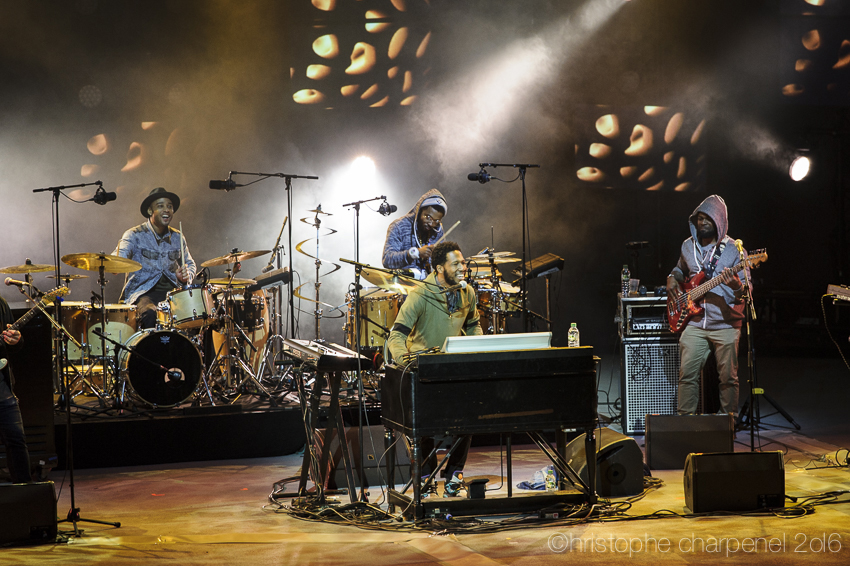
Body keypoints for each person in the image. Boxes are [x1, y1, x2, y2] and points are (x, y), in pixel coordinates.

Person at [387, 241, 482, 495]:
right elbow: (395, 336)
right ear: (440, 268)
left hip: (453, 368)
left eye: (463, 262)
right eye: (457, 264)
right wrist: (406, 362)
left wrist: (478, 348)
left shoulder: (467, 293)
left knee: (469, 417)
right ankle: (426, 476)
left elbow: (473, 325)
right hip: (423, 370)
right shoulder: (420, 295)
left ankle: (454, 474)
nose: (463, 267)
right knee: (423, 426)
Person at [666, 194, 750, 417]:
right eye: (699, 218)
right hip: (694, 322)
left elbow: (746, 292)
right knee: (687, 376)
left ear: (719, 221)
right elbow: (679, 269)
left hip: (726, 324)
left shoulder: (735, 250)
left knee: (728, 380)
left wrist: (735, 286)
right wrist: (671, 277)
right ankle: (686, 425)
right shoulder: (687, 246)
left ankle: (727, 427)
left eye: (707, 219)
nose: (702, 222)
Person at [114, 187, 196, 329]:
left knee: (197, 313)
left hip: (171, 294)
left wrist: (187, 275)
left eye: (169, 206)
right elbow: (117, 259)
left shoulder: (178, 237)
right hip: (143, 293)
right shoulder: (134, 235)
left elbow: (190, 264)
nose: (167, 210)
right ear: (150, 211)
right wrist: (113, 264)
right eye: (160, 206)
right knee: (150, 313)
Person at [381, 189, 447, 280]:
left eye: (436, 221)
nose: (431, 223)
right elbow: (387, 260)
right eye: (428, 217)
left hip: (430, 288)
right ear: (419, 211)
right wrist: (415, 253)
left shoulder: (437, 231)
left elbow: (443, 262)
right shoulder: (398, 226)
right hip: (405, 287)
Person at [0, 296, 30, 483]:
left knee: (17, 442)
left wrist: (16, 340)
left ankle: (27, 500)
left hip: (2, 389)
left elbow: (11, 345)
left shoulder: (1, 303)